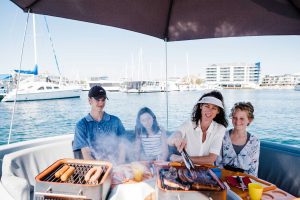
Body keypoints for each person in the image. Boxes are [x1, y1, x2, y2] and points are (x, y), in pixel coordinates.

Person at [168, 90, 228, 165]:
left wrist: (182, 158)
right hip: (186, 169)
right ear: (201, 106)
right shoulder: (189, 123)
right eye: (207, 106)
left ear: (218, 111)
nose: (209, 110)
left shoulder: (220, 128)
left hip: (206, 171)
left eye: (214, 108)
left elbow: (211, 159)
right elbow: (171, 140)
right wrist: (177, 137)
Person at [73, 85, 126, 165]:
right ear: (89, 100)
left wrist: (120, 164)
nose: (101, 103)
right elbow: (86, 155)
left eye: (103, 99)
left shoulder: (116, 121)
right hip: (95, 169)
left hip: (116, 166)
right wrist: (104, 168)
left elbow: (123, 145)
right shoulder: (81, 125)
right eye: (97, 100)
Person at [216, 102, 260, 176]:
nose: (237, 121)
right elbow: (217, 163)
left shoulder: (255, 141)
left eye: (241, 118)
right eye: (234, 117)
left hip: (245, 182)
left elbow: (253, 170)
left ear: (249, 120)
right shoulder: (222, 136)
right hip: (223, 179)